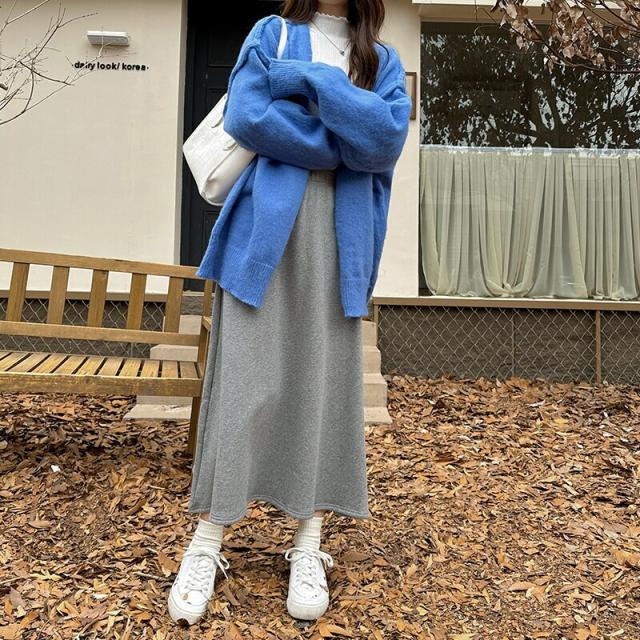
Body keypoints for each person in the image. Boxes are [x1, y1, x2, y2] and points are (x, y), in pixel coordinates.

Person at [168, 0, 411, 625]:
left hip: (339, 243)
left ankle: (308, 542)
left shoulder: (381, 60)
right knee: (242, 387)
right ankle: (207, 542)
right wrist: (341, 141)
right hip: (262, 239)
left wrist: (313, 82)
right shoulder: (271, 33)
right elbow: (249, 117)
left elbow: (385, 141)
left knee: (320, 388)